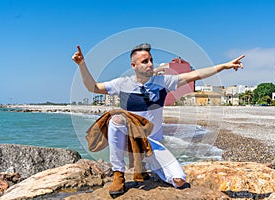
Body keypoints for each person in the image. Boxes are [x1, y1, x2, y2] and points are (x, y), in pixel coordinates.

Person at [72, 43, 244, 196]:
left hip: (152, 144)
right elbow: (93, 87)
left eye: (151, 60)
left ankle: (144, 167)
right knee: (116, 119)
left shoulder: (163, 81)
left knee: (179, 181)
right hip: (129, 142)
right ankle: (119, 174)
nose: (150, 64)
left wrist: (224, 66)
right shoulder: (121, 84)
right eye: (144, 61)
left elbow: (195, 75)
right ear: (133, 65)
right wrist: (82, 65)